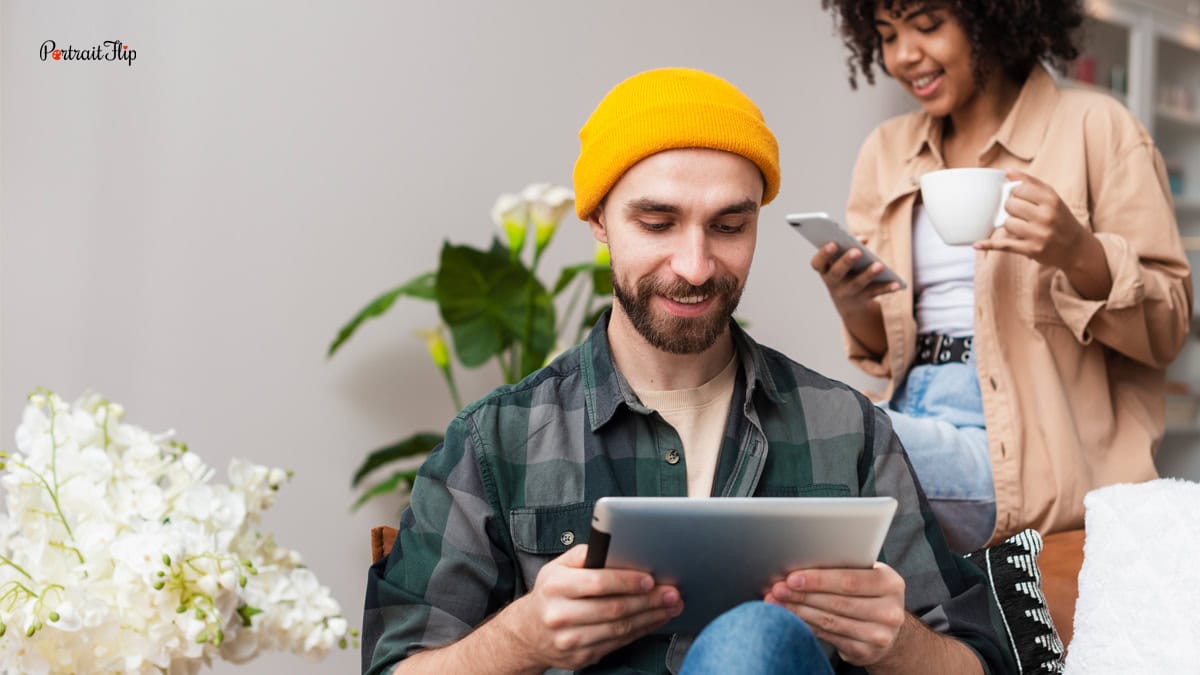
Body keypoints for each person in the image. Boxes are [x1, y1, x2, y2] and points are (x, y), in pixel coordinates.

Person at [362, 67, 1013, 674]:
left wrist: (896, 640)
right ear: (597, 220)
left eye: (729, 225)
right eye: (657, 221)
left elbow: (978, 661)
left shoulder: (845, 427)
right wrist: (526, 634)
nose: (697, 266)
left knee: (754, 642)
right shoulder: (497, 440)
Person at [815, 0, 1192, 552]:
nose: (904, 56)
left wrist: (1078, 252)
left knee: (826, 435)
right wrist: (852, 303)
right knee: (801, 420)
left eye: (927, 26)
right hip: (911, 404)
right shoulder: (887, 153)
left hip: (1027, 444)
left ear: (993, 17)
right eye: (887, 35)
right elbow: (888, 348)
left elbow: (1167, 329)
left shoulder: (1097, 128)